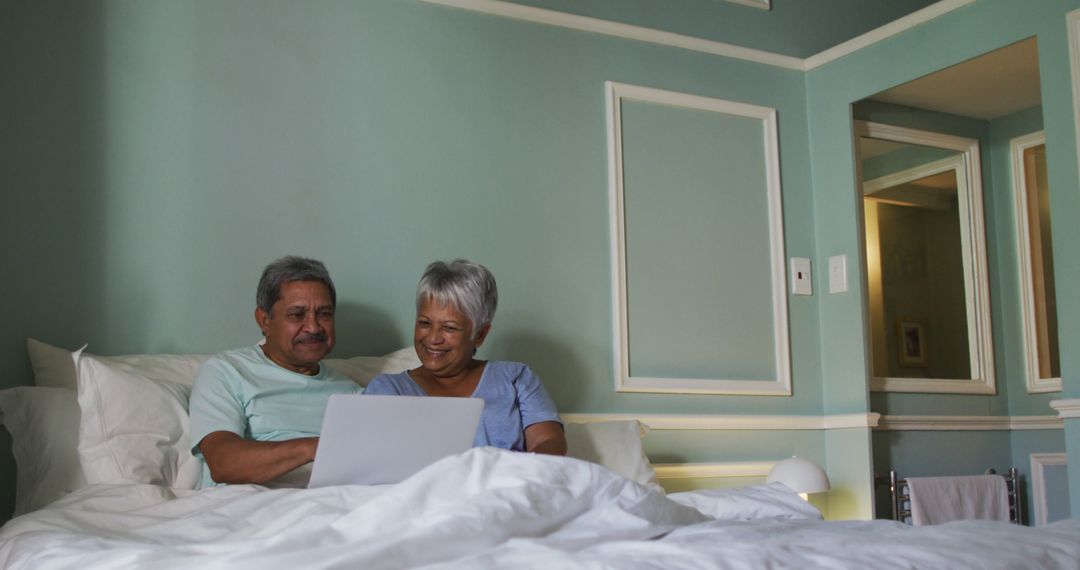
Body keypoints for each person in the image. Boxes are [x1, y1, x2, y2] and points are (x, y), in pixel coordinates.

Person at [189, 256, 360, 486]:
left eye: (324, 314)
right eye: (297, 314)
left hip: (333, 506)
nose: (313, 327)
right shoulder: (226, 372)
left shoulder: (351, 393)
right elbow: (224, 464)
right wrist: (314, 447)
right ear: (264, 320)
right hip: (250, 509)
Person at [365, 259, 566, 455]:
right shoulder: (386, 390)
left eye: (449, 328)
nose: (433, 338)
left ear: (480, 334)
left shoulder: (516, 378)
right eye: (425, 323)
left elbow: (548, 441)